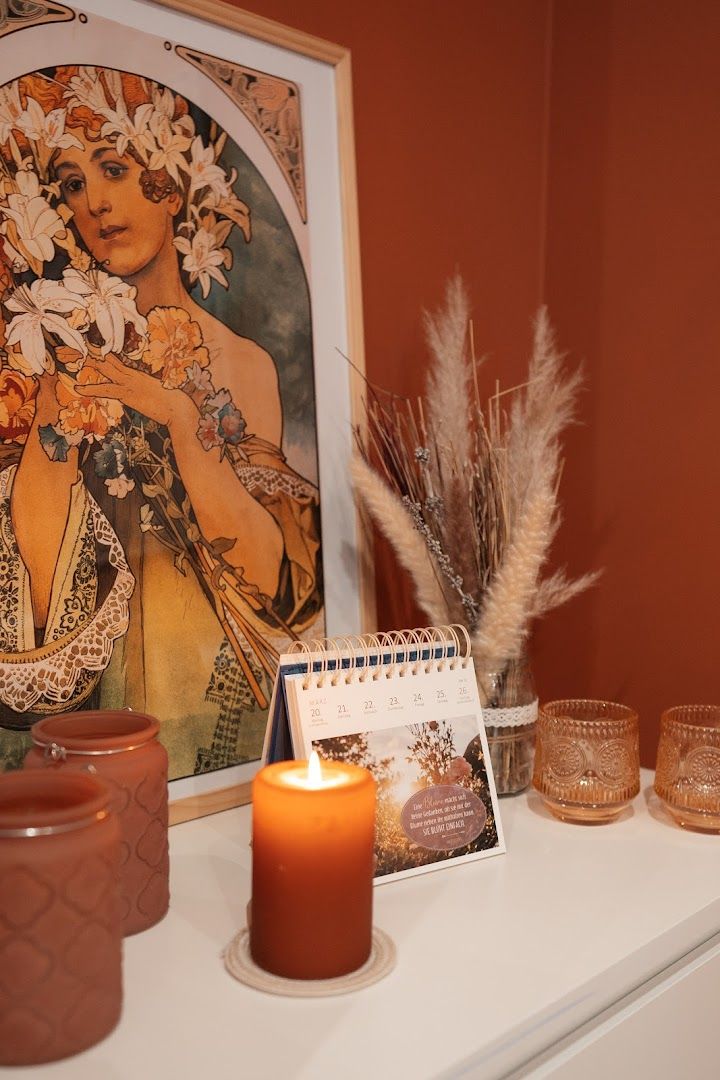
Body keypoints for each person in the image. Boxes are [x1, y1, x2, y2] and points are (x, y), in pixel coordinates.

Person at [0, 66, 322, 776]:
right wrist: (53, 429)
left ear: (171, 185)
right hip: (97, 713)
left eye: (115, 169)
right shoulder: (54, 351)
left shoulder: (242, 363)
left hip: (213, 701)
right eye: (72, 184)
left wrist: (180, 418)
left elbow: (272, 581)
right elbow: (44, 590)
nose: (96, 204)